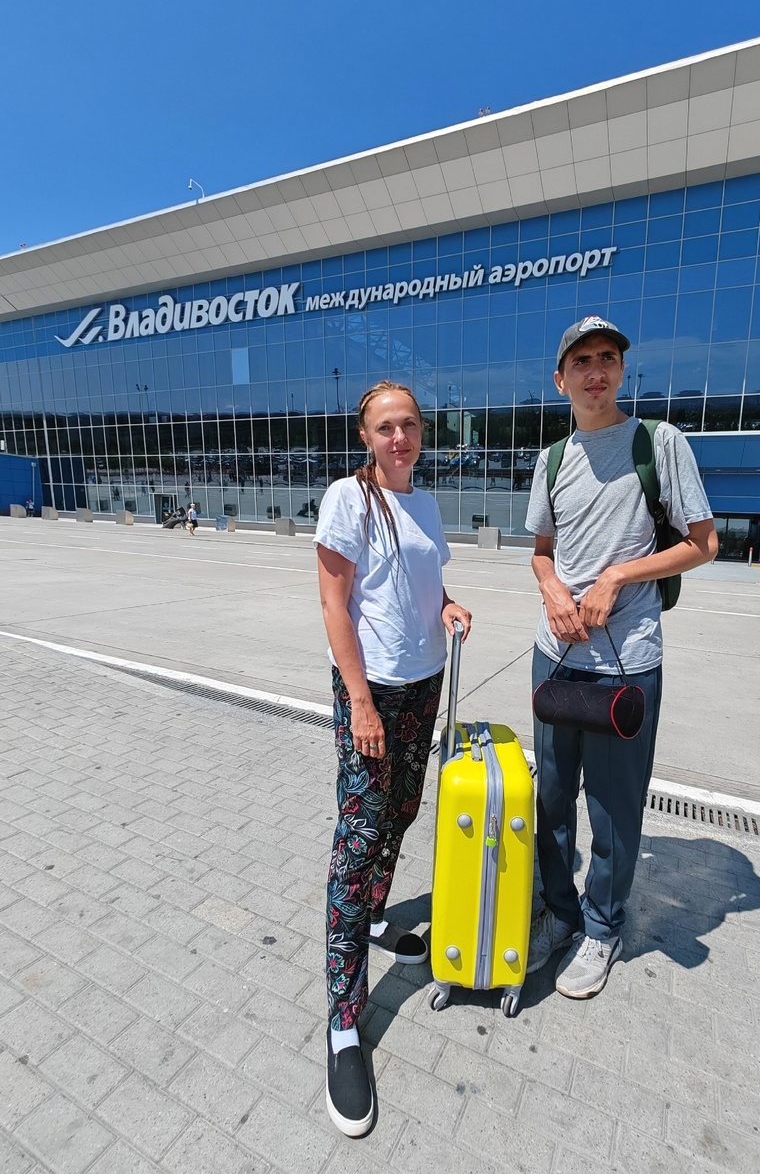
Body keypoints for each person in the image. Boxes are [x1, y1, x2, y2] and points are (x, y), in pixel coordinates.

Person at [525, 316, 718, 999]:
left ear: (621, 370)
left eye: (607, 357)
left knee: (613, 807)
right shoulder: (552, 460)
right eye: (582, 361)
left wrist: (617, 576)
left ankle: (603, 927)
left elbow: (703, 542)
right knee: (551, 799)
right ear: (561, 379)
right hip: (556, 656)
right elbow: (541, 552)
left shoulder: (658, 443)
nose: (595, 370)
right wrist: (552, 589)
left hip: (627, 659)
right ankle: (558, 912)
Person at [314, 379, 471, 1137]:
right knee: (357, 840)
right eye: (385, 427)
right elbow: (334, 605)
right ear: (366, 436)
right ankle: (344, 1021)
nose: (399, 437)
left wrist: (447, 606)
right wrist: (361, 702)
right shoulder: (349, 499)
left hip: (424, 682)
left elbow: (421, 584)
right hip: (371, 689)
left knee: (403, 809)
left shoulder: (426, 504)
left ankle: (377, 916)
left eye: (408, 424)